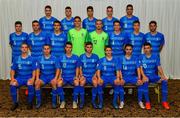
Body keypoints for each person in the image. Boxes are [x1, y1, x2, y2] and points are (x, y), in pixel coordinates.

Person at [139, 42, 170, 110]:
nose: (146, 50)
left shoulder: (155, 56)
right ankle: (147, 102)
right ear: (143, 49)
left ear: (151, 48)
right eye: (145, 48)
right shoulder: (141, 56)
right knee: (145, 82)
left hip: (154, 76)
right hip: (146, 76)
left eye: (148, 48)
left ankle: (164, 101)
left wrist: (163, 76)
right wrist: (143, 76)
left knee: (164, 81)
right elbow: (140, 68)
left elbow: (159, 67)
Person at [118, 44, 145, 109]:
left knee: (140, 83)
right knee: (120, 84)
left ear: (132, 50)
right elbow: (119, 70)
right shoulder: (121, 58)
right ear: (125, 50)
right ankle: (122, 101)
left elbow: (138, 69)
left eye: (130, 49)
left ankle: (140, 101)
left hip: (133, 77)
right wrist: (121, 78)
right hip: (124, 77)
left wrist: (139, 78)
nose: (128, 51)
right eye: (127, 49)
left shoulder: (135, 58)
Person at [10, 43, 36, 111]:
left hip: (29, 77)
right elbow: (12, 70)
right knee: (13, 84)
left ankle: (30, 103)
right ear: (20, 49)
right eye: (22, 47)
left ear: (27, 49)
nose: (24, 48)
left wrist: (33, 78)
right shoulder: (16, 58)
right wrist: (12, 79)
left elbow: (34, 70)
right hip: (20, 78)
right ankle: (15, 103)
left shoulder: (32, 58)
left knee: (30, 84)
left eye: (25, 47)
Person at [35, 44, 60, 109]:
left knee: (54, 83)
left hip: (52, 76)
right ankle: (38, 102)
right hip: (43, 77)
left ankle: (54, 103)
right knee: (37, 83)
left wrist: (55, 78)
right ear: (43, 50)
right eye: (45, 49)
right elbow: (38, 69)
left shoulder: (54, 58)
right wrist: (37, 78)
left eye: (48, 49)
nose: (46, 50)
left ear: (50, 49)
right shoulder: (39, 58)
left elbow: (58, 69)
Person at [57, 42, 80, 109]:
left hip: (72, 76)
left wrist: (76, 76)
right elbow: (59, 68)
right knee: (58, 83)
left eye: (70, 47)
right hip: (64, 76)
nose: (68, 49)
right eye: (67, 47)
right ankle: (63, 101)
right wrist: (59, 77)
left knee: (77, 82)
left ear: (72, 48)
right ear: (65, 48)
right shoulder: (61, 57)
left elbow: (77, 68)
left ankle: (74, 101)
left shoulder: (76, 57)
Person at [79, 42, 99, 108]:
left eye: (90, 47)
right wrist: (81, 75)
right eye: (87, 47)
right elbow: (80, 68)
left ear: (92, 48)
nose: (89, 48)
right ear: (85, 48)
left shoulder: (96, 56)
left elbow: (97, 68)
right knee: (81, 82)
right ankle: (82, 101)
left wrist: (95, 75)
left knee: (95, 83)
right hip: (84, 75)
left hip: (92, 75)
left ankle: (93, 101)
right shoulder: (81, 56)